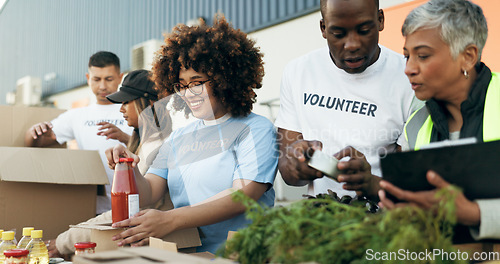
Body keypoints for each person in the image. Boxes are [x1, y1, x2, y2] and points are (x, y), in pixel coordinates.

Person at [107, 15, 277, 253]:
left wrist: (171, 219)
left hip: (238, 254)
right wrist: (128, 166)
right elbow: (150, 193)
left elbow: (243, 195)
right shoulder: (179, 137)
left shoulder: (256, 129)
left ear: (225, 79)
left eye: (197, 82)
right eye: (181, 85)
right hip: (188, 253)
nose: (188, 93)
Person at [275, 0, 422, 200]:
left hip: (384, 220)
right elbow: (287, 172)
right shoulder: (298, 72)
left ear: (380, 20)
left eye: (363, 30)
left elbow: (412, 181)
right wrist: (298, 165)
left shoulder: (409, 77)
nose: (352, 45)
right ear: (323, 28)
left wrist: (369, 181)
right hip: (321, 216)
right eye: (339, 34)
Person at [378, 0, 500, 241]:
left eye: (422, 55)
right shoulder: (415, 124)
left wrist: (476, 214)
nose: (409, 69)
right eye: (406, 56)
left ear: (468, 56)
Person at [47, 69, 173, 258]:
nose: (121, 108)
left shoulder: (159, 144)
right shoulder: (146, 141)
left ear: (151, 103)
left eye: (126, 102)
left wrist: (63, 242)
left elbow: (131, 211)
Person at [24, 51, 133, 214]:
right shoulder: (77, 115)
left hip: (132, 202)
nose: (102, 86)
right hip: (92, 206)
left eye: (108, 79)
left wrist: (125, 138)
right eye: (97, 79)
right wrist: (33, 132)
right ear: (88, 78)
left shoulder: (132, 110)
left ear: (120, 77)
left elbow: (151, 148)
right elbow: (38, 142)